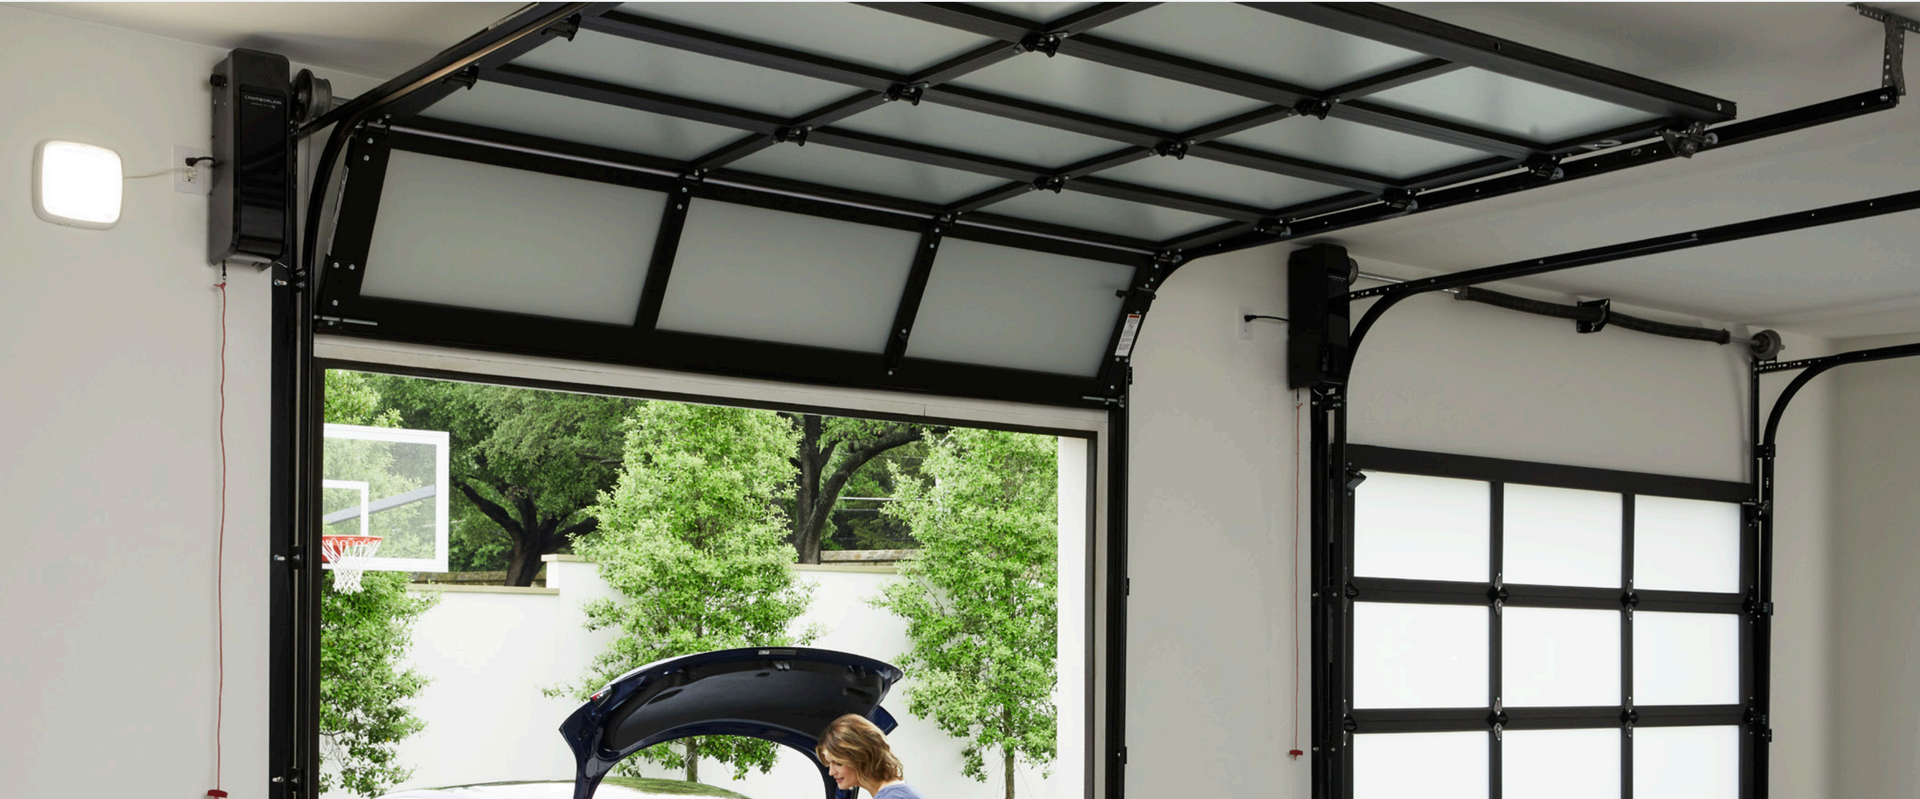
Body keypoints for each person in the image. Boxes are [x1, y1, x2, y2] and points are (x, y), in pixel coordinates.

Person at [817, 713, 925, 799]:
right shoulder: (897, 791)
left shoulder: (892, 796)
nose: (831, 772)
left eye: (838, 763)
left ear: (860, 757)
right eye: (829, 763)